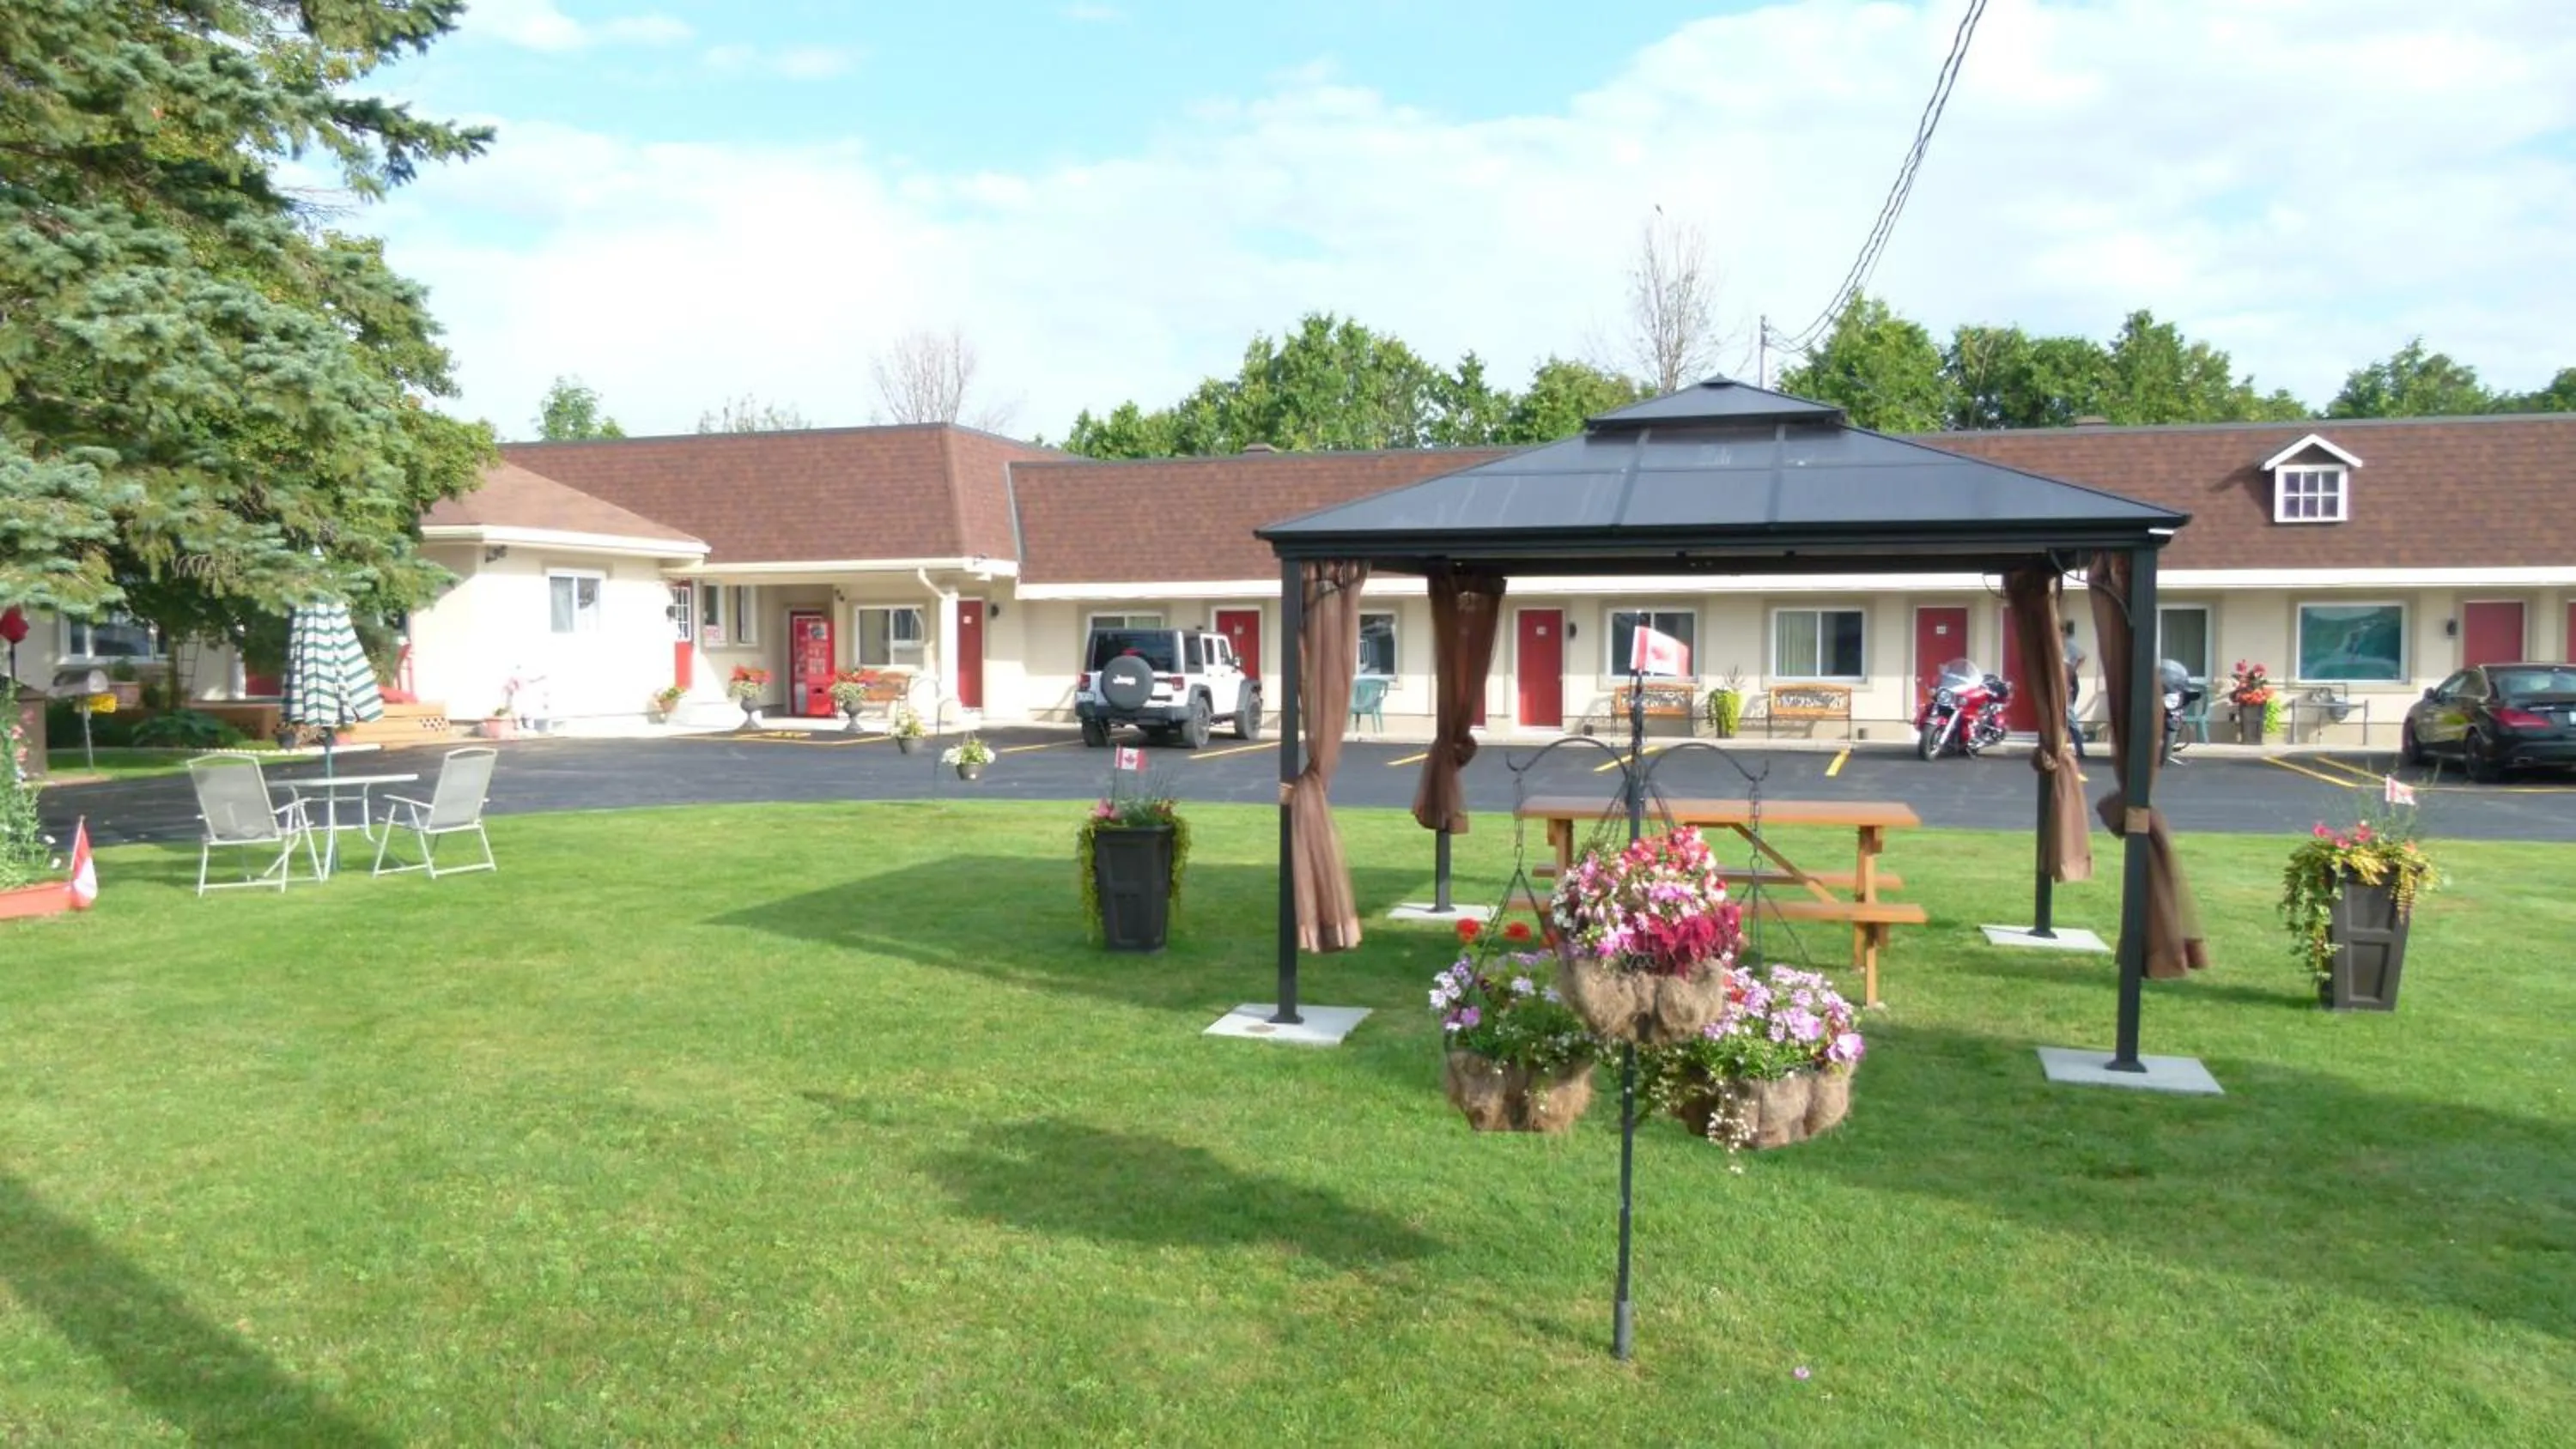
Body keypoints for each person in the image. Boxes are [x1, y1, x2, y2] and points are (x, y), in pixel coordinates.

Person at [2063, 624, 2087, 760]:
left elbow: (2082, 656)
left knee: (2070, 720)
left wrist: (2073, 669)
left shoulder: (2068, 645)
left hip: (2066, 690)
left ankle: (2080, 750)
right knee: (2068, 722)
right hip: (2064, 691)